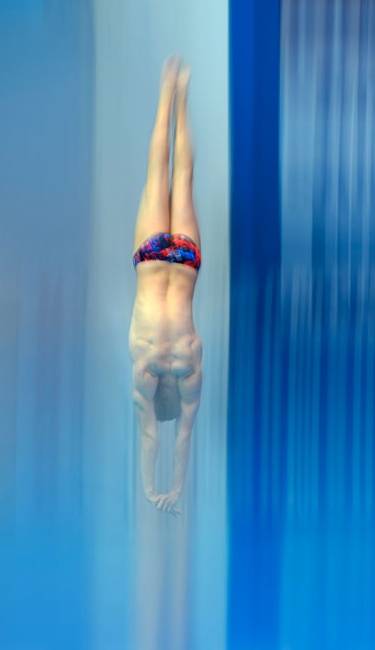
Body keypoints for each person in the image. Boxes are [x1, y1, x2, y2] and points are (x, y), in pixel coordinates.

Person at [129, 56, 202, 513]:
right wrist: (152, 490)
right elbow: (151, 435)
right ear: (162, 398)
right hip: (153, 261)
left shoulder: (190, 367)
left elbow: (182, 437)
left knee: (183, 178)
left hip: (185, 263)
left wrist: (172, 487)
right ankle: (167, 95)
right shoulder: (145, 371)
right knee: (160, 175)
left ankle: (182, 98)